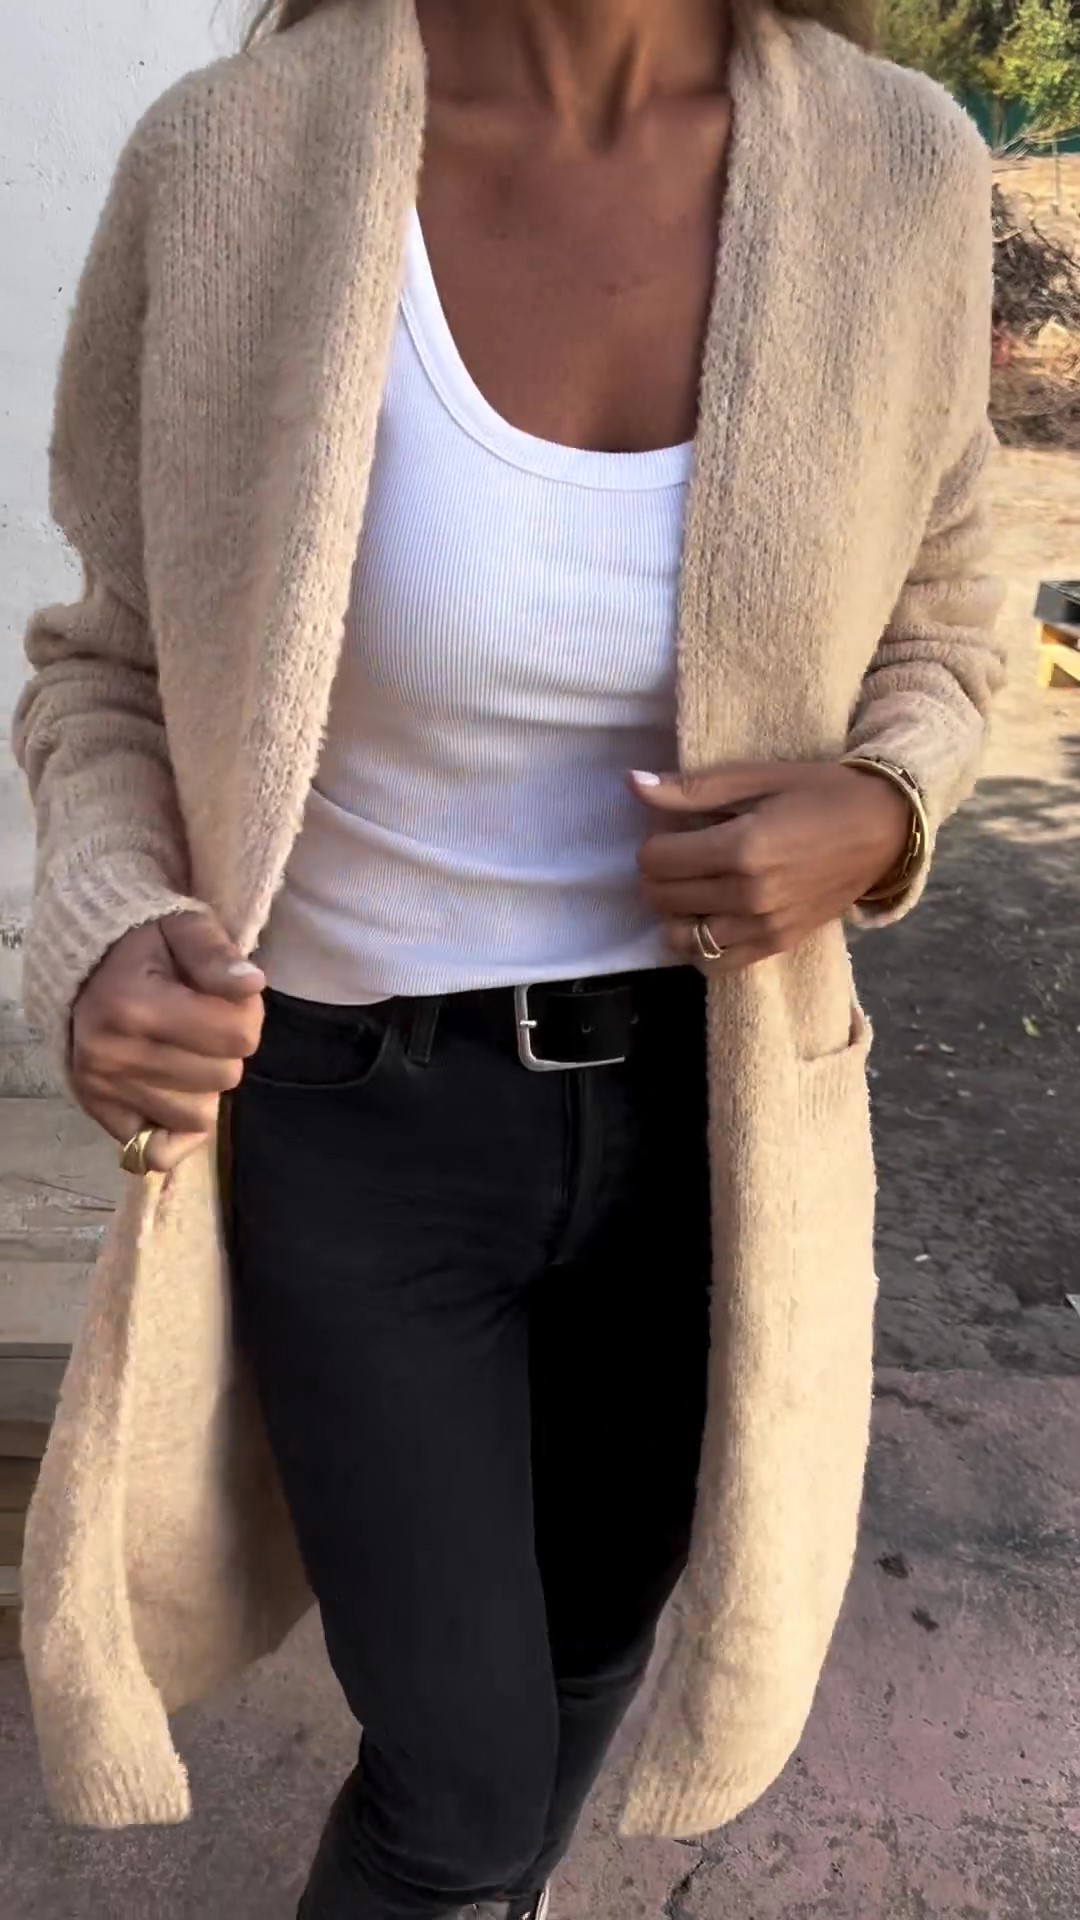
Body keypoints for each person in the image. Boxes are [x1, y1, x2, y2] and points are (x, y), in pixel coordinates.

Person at [12, 0, 1003, 1914]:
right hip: (350, 1112)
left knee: (587, 1648)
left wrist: (885, 807)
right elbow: (106, 664)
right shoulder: (230, 165)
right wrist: (111, 925)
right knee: (455, 1784)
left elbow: (950, 623)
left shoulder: (899, 168)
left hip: (717, 1121)